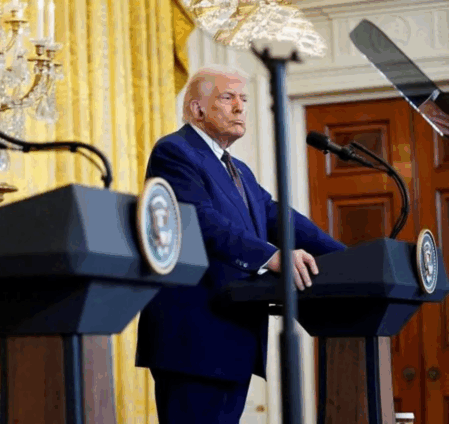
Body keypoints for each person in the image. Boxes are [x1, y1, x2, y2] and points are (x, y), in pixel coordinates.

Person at [136, 66, 347, 423]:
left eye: (244, 99)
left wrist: (346, 257)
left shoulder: (239, 170)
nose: (239, 107)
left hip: (233, 335)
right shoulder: (174, 151)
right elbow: (200, 220)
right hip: (193, 339)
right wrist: (271, 256)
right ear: (196, 109)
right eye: (227, 97)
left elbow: (278, 217)